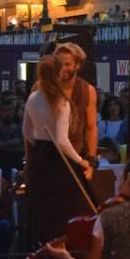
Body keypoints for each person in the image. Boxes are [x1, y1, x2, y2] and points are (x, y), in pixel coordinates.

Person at [22, 56, 94, 259]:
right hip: (59, 161)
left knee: (44, 213)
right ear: (56, 73)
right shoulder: (61, 102)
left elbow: (26, 131)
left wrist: (39, 150)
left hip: (40, 158)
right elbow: (62, 141)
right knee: (71, 211)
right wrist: (81, 161)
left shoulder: (33, 97)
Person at [54, 43, 98, 176]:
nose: (62, 68)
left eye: (67, 64)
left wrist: (91, 160)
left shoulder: (88, 90)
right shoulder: (42, 88)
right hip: (48, 156)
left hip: (76, 157)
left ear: (77, 65)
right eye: (59, 63)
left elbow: (91, 128)